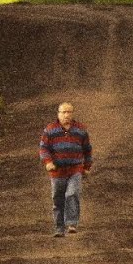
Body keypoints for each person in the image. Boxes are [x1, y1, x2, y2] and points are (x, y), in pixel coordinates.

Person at [39, 100, 92, 237]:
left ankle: (72, 223)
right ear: (58, 114)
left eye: (69, 112)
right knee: (57, 199)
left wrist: (86, 166)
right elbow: (43, 148)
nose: (66, 115)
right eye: (64, 112)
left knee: (72, 194)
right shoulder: (50, 130)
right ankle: (59, 227)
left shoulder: (80, 129)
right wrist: (48, 162)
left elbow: (87, 149)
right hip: (57, 171)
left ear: (72, 114)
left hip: (75, 169)